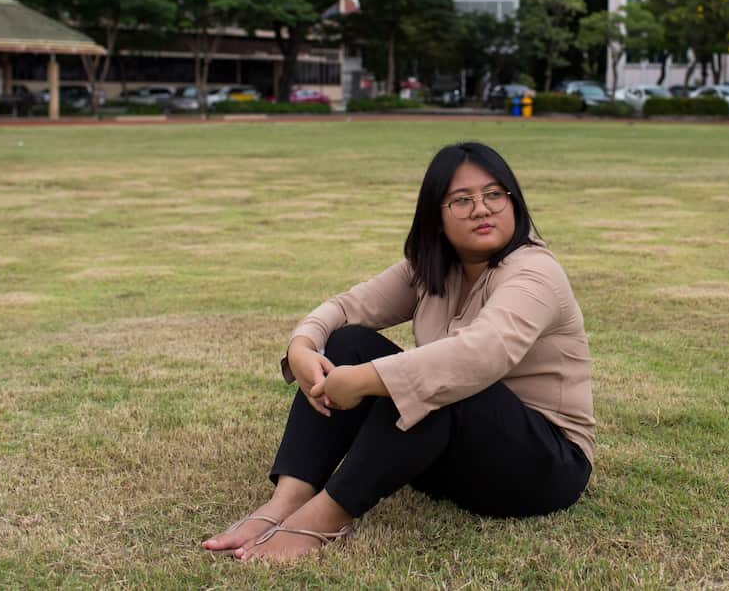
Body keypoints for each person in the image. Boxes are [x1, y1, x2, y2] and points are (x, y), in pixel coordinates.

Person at [202, 141, 595, 562]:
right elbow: (346, 307)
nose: (482, 209)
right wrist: (302, 347)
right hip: (452, 457)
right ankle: (285, 501)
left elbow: (480, 355)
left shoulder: (536, 272)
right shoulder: (432, 268)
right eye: (462, 200)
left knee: (439, 379)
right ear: (435, 217)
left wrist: (365, 380)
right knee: (348, 341)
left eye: (495, 195)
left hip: (542, 467)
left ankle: (322, 520)